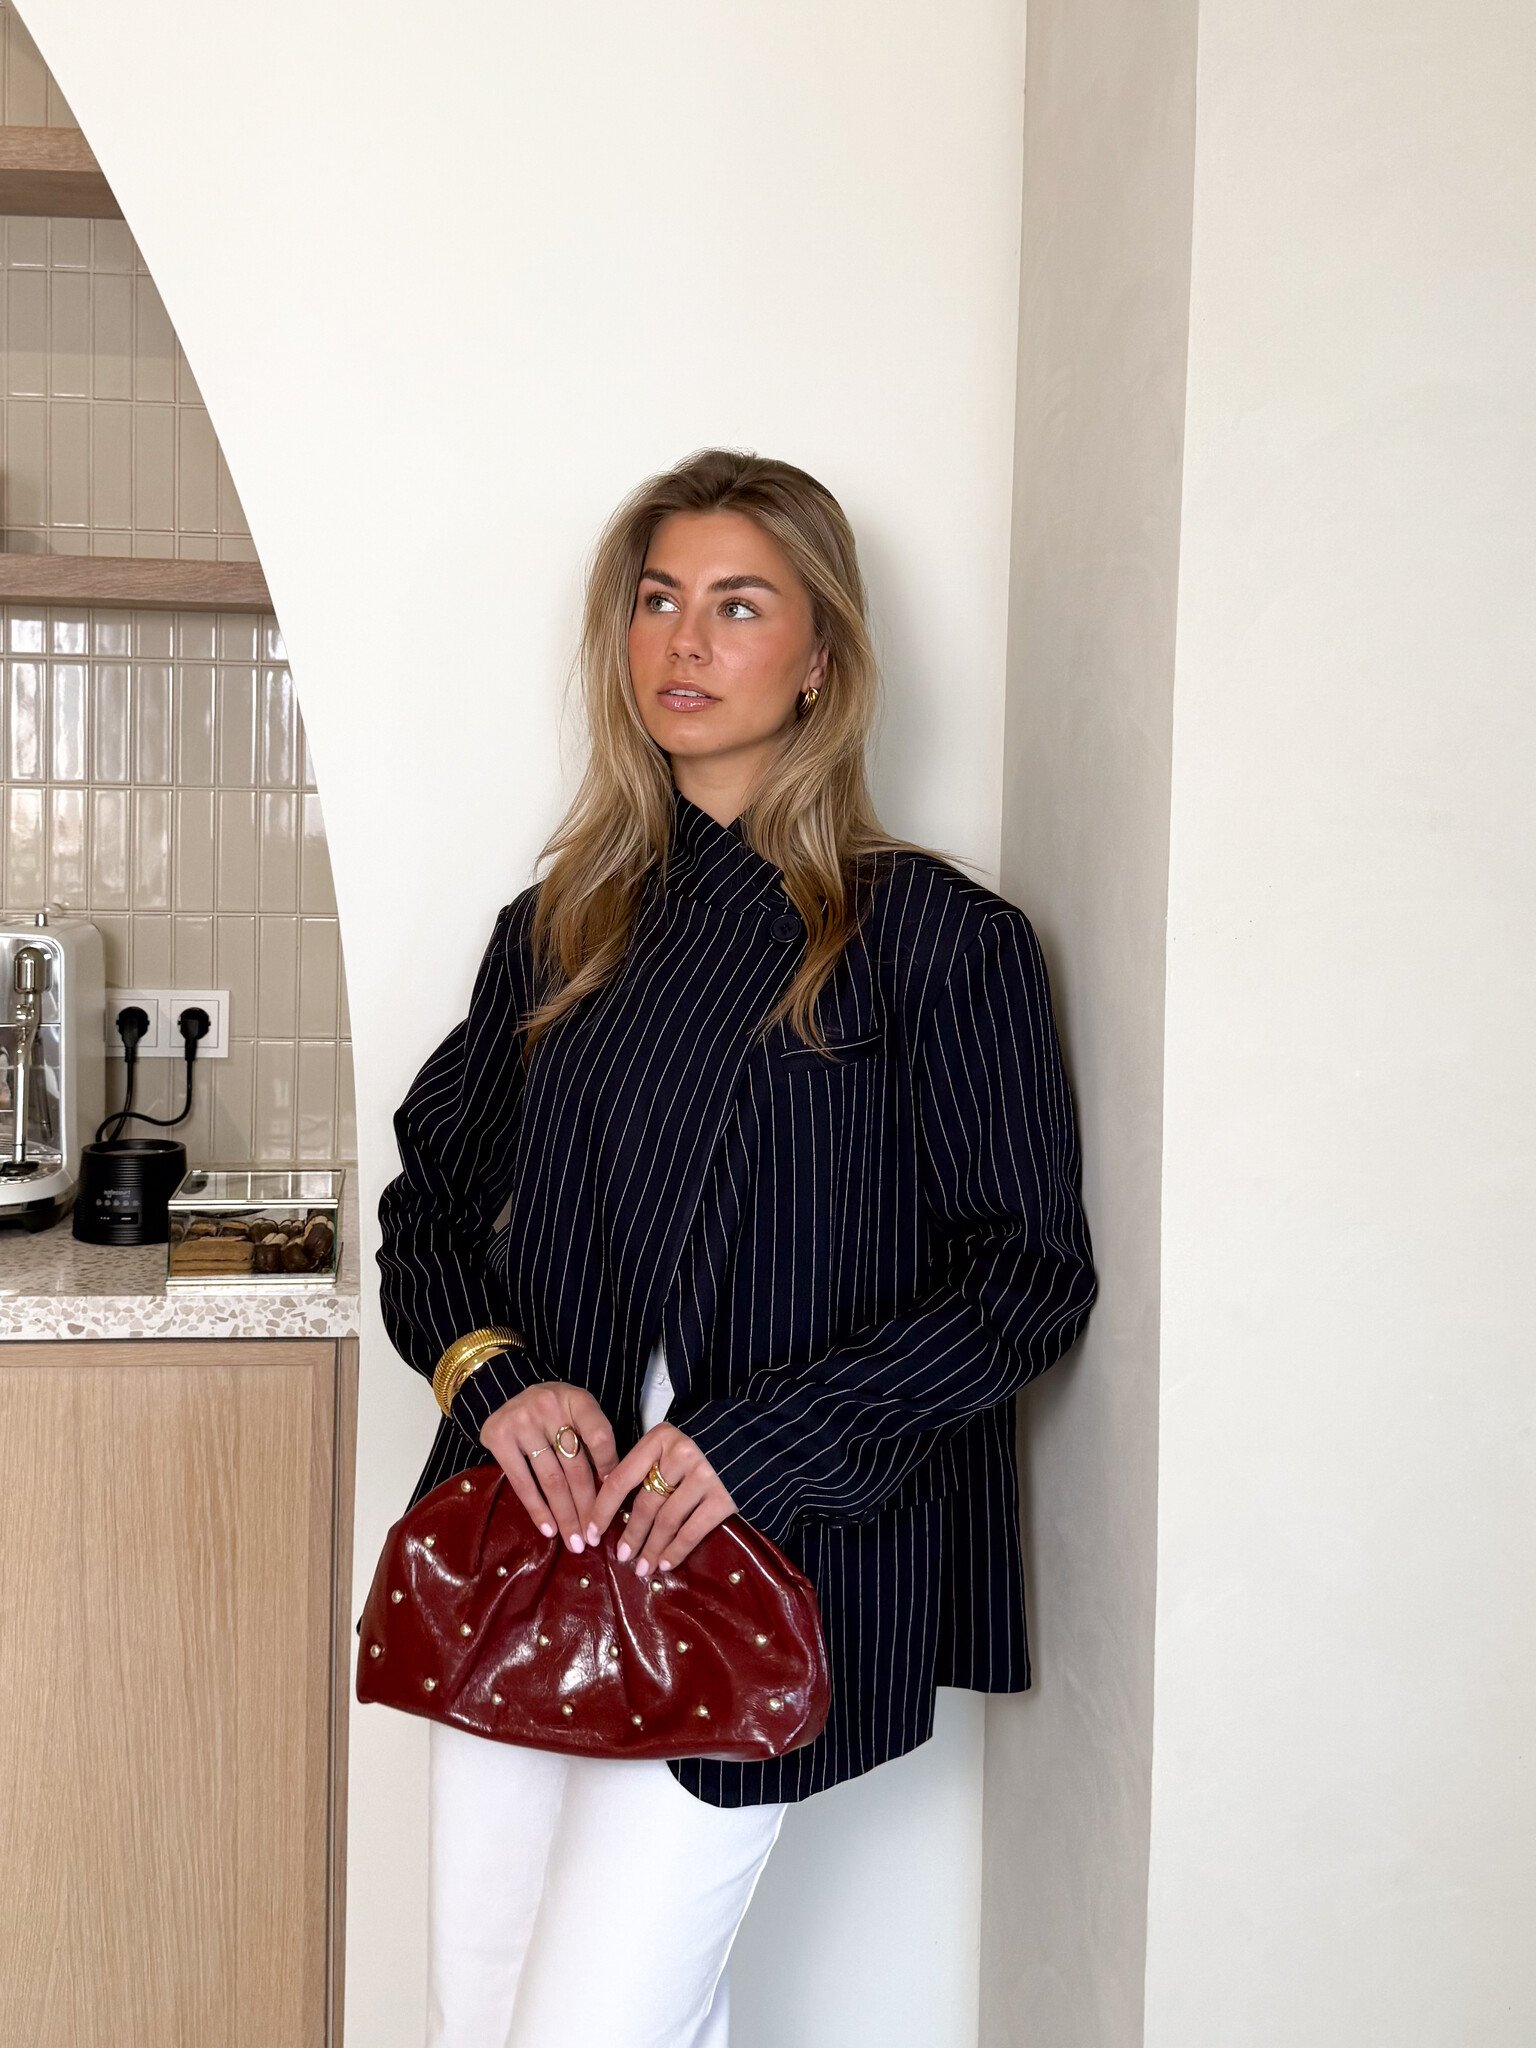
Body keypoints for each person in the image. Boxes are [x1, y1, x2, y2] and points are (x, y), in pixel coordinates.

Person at [373, 446, 1099, 2048]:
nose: (684, 642)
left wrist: (760, 1443)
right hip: (528, 1543)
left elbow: (1027, 1278)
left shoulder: (936, 940)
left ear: (821, 656)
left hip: (771, 1551)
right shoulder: (560, 929)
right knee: (482, 2018)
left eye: (739, 605)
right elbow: (426, 1204)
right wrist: (493, 1378)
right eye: (657, 601)